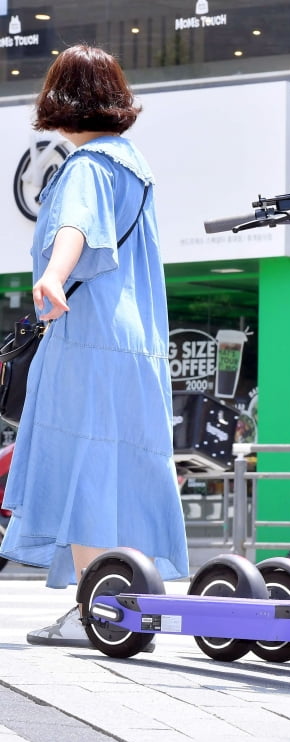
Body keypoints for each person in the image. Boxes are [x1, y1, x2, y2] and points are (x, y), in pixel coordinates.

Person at [0, 45, 188, 646]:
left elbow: (76, 228)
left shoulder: (85, 167)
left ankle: (92, 611)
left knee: (84, 472)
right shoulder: (135, 166)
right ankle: (122, 608)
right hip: (134, 344)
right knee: (117, 472)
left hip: (88, 335)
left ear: (60, 98)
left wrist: (54, 275)